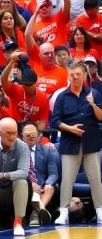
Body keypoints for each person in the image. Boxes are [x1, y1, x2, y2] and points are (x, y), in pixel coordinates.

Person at [51, 60, 102, 225]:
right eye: (72, 75)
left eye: (78, 74)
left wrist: (93, 104)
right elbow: (55, 121)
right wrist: (70, 128)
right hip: (70, 142)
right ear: (68, 76)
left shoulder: (94, 93)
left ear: (84, 75)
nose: (74, 77)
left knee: (96, 179)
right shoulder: (62, 97)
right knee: (67, 180)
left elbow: (100, 117)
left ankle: (100, 211)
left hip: (91, 142)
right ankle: (63, 212)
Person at [20, 122, 57, 225]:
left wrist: (48, 183)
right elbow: (16, 172)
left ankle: (37, 211)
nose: (31, 137)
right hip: (25, 185)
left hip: (42, 185)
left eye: (33, 134)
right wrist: (30, 184)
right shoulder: (17, 152)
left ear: (38, 135)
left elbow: (53, 174)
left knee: (51, 187)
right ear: (22, 136)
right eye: (27, 135)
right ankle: (39, 211)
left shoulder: (46, 151)